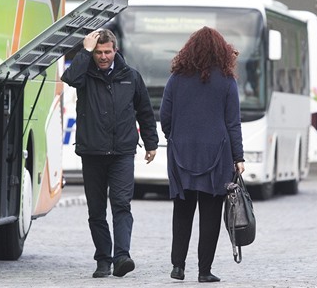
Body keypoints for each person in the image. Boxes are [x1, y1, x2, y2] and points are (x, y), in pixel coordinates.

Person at [61, 29, 159, 278]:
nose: (103, 57)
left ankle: (122, 256)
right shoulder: (84, 75)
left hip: (122, 152)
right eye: (98, 52)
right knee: (96, 210)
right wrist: (84, 50)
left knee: (121, 205)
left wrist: (151, 143)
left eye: (107, 52)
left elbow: (145, 112)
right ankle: (103, 259)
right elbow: (68, 77)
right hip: (92, 152)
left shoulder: (131, 77)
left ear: (115, 50)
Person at [160, 26, 245, 283]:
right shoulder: (227, 81)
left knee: (182, 211)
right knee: (210, 214)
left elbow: (165, 116)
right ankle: (204, 271)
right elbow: (233, 123)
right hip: (218, 154)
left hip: (181, 152)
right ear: (222, 51)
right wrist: (238, 157)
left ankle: (178, 266)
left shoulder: (176, 79)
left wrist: (174, 137)